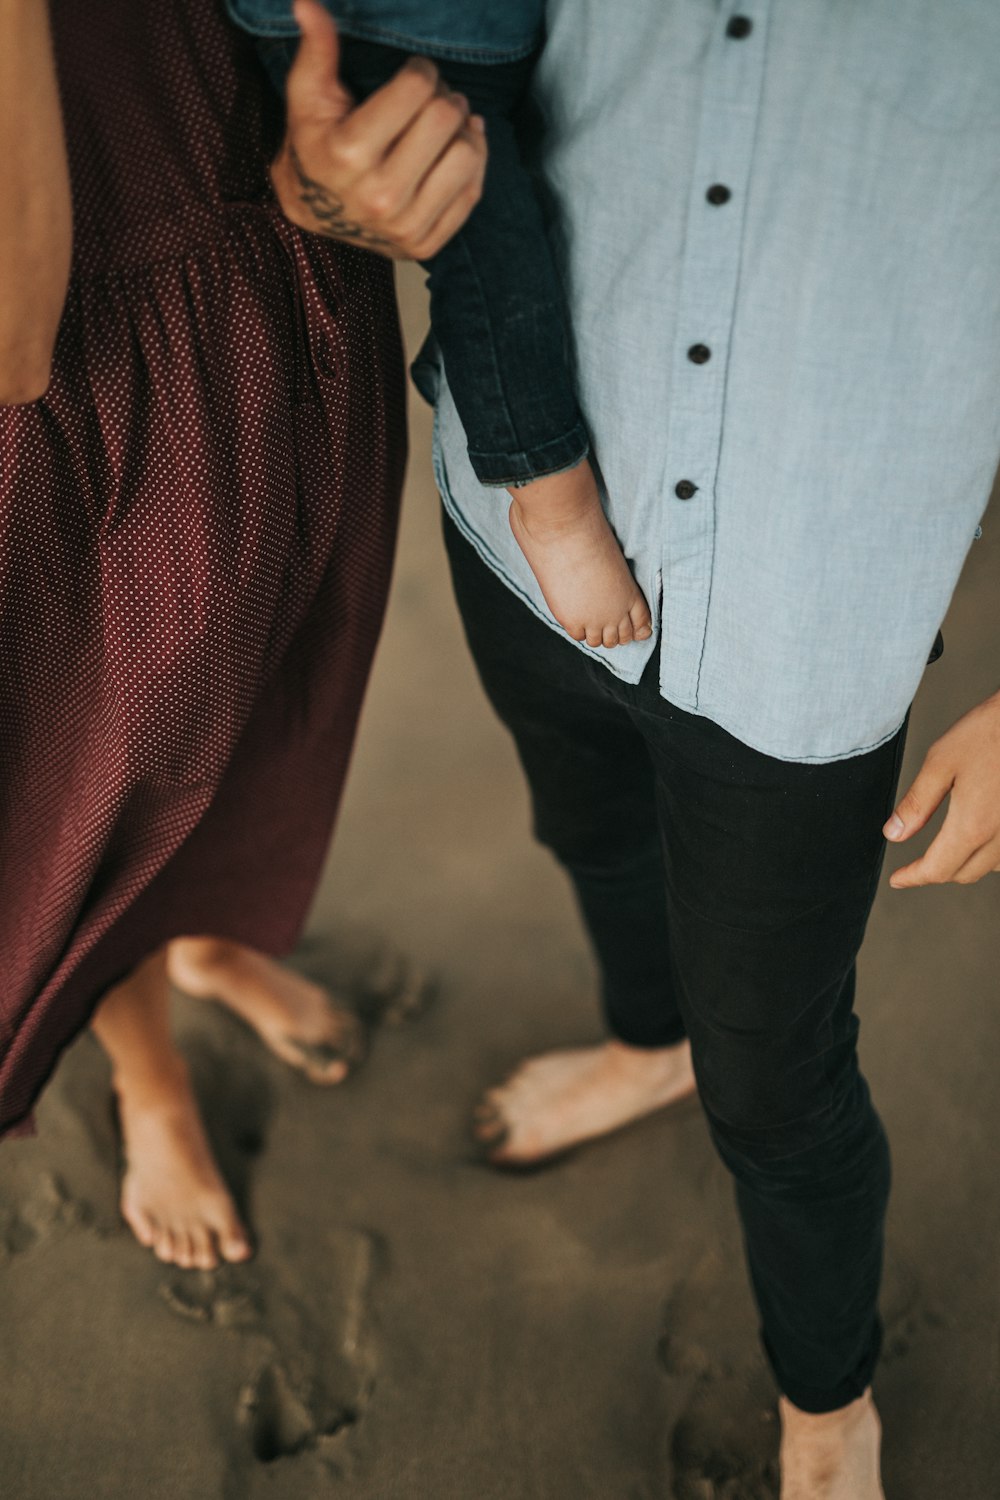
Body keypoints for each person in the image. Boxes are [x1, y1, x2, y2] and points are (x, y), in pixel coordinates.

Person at [305, 2, 1000, 1496]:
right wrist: (336, 169)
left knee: (781, 1080)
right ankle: (643, 1044)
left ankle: (829, 1408)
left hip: (817, 609)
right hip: (514, 504)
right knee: (592, 834)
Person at [0, 0, 483, 1271]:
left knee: (289, 683)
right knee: (122, 780)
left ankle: (216, 941)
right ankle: (146, 1065)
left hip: (287, 262)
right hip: (91, 374)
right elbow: (9, 335)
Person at [229, 0, 653, 651]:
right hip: (392, 29)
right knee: (488, 251)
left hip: (477, 30)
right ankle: (552, 503)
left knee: (516, 224)